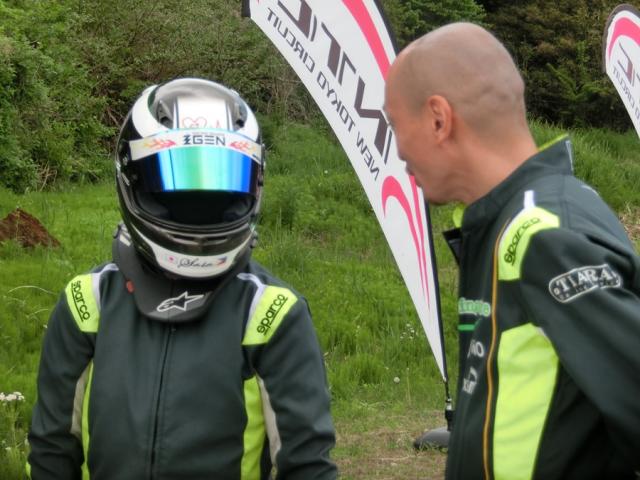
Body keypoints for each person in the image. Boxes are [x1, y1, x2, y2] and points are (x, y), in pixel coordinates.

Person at [27, 78, 337, 479]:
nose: (200, 200)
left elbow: (308, 466)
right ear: (132, 179)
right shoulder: (88, 304)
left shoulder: (271, 313)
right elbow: (52, 452)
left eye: (224, 178)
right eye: (176, 176)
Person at [384, 22, 640, 480]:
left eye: (395, 124)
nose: (398, 150)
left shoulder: (542, 236)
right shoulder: (511, 221)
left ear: (439, 119)